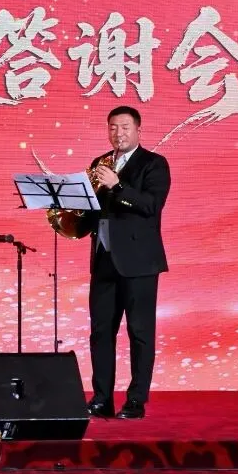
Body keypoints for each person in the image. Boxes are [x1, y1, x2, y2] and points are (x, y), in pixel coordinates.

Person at [83, 105, 170, 420]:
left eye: (124, 127)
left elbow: (151, 205)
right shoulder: (99, 163)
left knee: (140, 332)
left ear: (138, 130)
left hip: (139, 262)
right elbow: (93, 211)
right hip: (104, 259)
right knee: (100, 332)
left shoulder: (154, 163)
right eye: (112, 127)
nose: (117, 133)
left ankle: (136, 401)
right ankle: (101, 399)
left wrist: (117, 186)